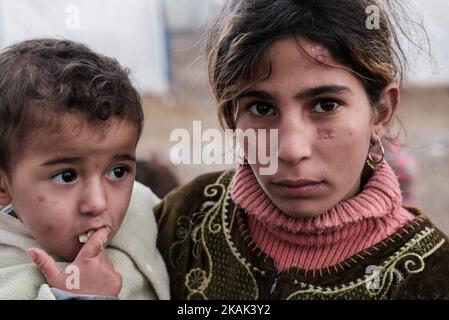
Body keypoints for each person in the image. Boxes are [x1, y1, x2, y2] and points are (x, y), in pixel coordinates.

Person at [155, 0, 449, 299]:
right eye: (261, 108)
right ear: (232, 115)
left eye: (325, 105)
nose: (291, 150)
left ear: (381, 113)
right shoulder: (185, 219)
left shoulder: (432, 277)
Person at [0, 39, 169, 299]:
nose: (98, 203)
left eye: (118, 172)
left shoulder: (144, 210)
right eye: (66, 176)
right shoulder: (8, 278)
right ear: (3, 185)